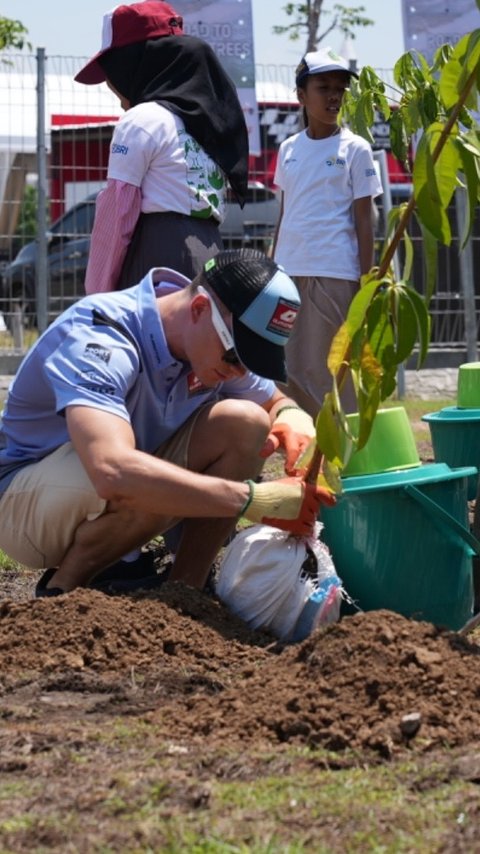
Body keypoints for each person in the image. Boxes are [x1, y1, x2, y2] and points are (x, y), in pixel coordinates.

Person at [0, 249, 335, 598]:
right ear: (199, 309)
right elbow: (112, 471)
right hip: (23, 504)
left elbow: (272, 402)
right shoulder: (102, 337)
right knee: (132, 475)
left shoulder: (207, 340)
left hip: (104, 478)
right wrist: (250, 499)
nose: (240, 371)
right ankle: (62, 589)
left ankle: (185, 590)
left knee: (245, 423)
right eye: (237, 356)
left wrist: (290, 416)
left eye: (252, 362)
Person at [74, 0, 249, 293]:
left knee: (152, 339)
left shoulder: (142, 120)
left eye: (111, 72)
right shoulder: (205, 123)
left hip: (158, 261)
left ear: (132, 64)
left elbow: (117, 216)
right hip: (211, 254)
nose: (110, 86)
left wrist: (98, 294)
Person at [272, 47, 383, 417]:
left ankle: (342, 452)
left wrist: (366, 280)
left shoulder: (356, 149)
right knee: (286, 368)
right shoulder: (288, 149)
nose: (334, 96)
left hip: (334, 272)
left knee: (327, 370)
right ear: (302, 96)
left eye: (339, 88)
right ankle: (308, 449)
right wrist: (272, 271)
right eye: (323, 87)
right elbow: (284, 213)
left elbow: (365, 219)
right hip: (288, 274)